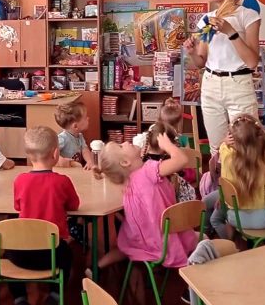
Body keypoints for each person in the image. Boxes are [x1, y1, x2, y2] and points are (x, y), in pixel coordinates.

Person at [94, 130, 198, 273]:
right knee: (203, 238)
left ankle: (96, 267)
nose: (125, 142)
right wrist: (167, 145)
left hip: (142, 242)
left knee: (124, 246)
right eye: (121, 146)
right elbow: (182, 160)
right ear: (125, 162)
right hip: (165, 243)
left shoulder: (127, 182)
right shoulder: (149, 171)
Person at [182, 0, 262, 152]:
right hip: (210, 84)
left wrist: (231, 32)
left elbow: (252, 62)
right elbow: (201, 62)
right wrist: (193, 52)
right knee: (217, 147)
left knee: (246, 144)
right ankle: (219, 180)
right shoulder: (208, 19)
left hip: (238, 84)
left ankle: (246, 181)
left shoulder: (248, 16)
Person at [9, 126, 79, 305]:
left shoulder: (20, 180)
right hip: (53, 253)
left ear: (28, 155)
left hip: (21, 255)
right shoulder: (62, 181)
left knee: (5, 255)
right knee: (69, 255)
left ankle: (21, 301)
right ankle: (54, 297)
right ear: (56, 154)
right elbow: (74, 205)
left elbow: (17, 206)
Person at [203, 114, 265, 238]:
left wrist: (224, 141)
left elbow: (221, 147)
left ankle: (223, 240)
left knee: (210, 210)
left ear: (231, 139)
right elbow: (264, 142)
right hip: (262, 219)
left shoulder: (227, 156)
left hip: (234, 217)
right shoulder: (261, 162)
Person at [140, 122, 197, 203]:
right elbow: (185, 169)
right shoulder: (171, 162)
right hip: (174, 206)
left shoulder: (142, 161)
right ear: (168, 144)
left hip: (150, 203)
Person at [55, 101, 95, 169]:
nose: (88, 118)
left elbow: (84, 149)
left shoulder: (80, 136)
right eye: (85, 118)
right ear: (75, 126)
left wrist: (89, 161)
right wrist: (62, 161)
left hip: (76, 168)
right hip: (66, 170)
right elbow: (51, 153)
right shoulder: (62, 138)